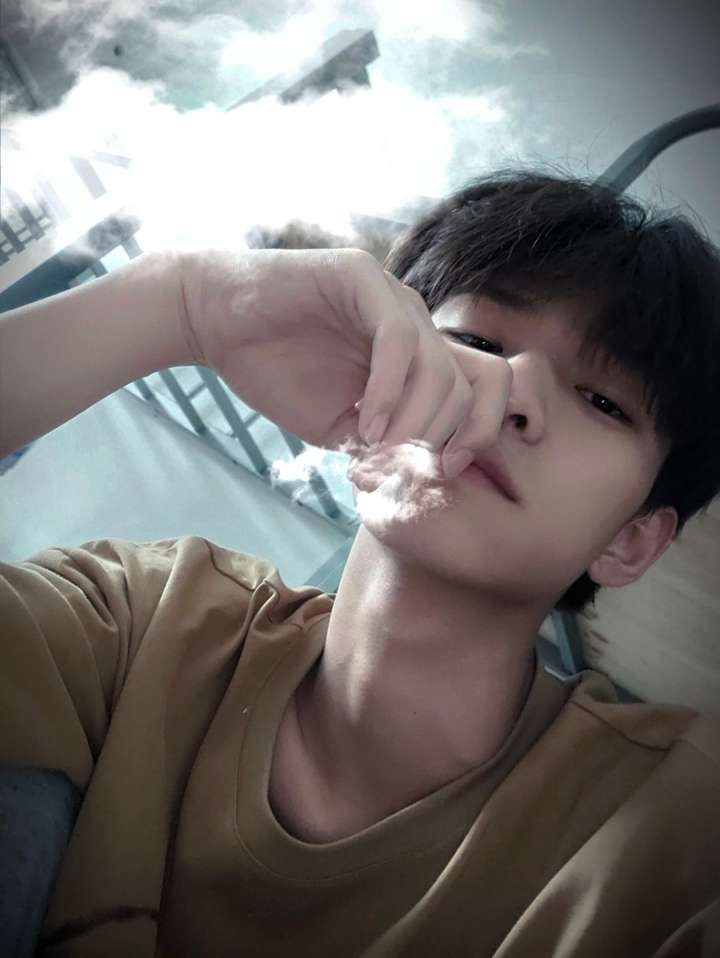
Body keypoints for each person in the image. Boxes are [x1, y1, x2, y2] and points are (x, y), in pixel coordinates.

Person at [1, 168, 719, 957]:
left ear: (631, 540)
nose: (508, 395)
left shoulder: (676, 832)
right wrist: (179, 305)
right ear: (367, 390)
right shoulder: (143, 616)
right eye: (477, 343)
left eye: (604, 401)